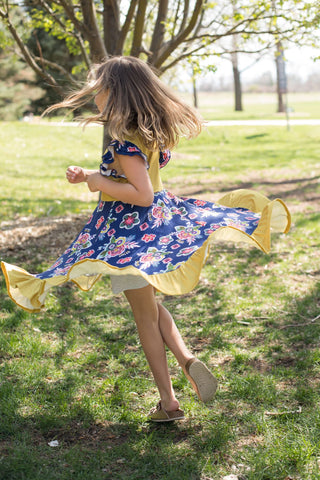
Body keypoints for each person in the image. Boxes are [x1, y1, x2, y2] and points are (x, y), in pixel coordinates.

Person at [1, 56, 291, 422]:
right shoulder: (147, 133)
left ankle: (168, 403)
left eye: (100, 91)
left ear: (118, 93)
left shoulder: (123, 141)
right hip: (154, 230)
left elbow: (142, 194)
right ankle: (186, 359)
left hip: (129, 238)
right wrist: (91, 174)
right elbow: (140, 183)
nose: (95, 99)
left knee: (143, 316)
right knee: (149, 307)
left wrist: (97, 181)